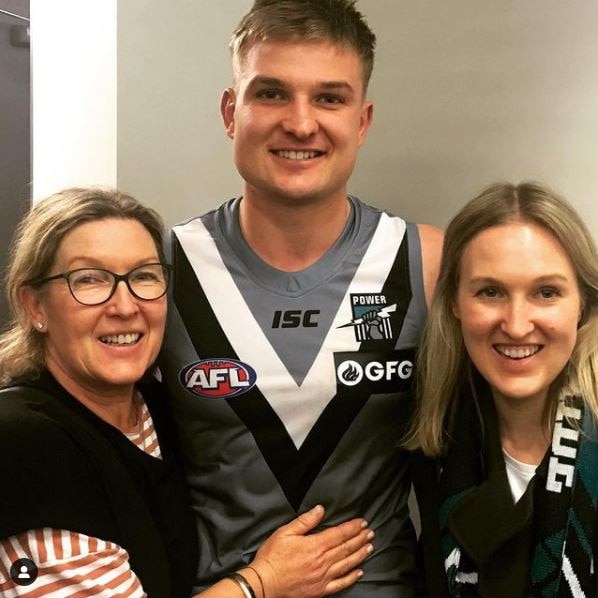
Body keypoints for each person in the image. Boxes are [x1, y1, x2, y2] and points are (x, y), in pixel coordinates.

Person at [159, 1, 443, 595]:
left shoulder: (428, 262)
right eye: (271, 94)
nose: (301, 122)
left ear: (362, 122)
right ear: (230, 112)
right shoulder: (162, 269)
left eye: (329, 98)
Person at [0, 187, 374, 598]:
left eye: (144, 276)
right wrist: (264, 583)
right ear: (34, 306)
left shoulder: (155, 409)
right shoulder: (25, 442)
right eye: (89, 280)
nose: (125, 306)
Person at [406, 182, 598, 597]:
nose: (515, 324)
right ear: (455, 302)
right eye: (490, 292)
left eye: (546, 293)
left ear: (583, 302)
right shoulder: (436, 450)